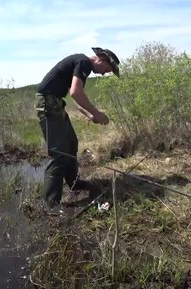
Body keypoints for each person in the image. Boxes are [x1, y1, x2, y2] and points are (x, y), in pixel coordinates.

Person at [34, 47, 120, 214]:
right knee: (59, 154)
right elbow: (75, 92)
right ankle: (50, 204)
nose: (103, 74)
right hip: (48, 103)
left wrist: (91, 115)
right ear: (101, 59)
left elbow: (77, 99)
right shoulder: (84, 62)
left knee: (72, 144)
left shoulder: (82, 65)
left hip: (55, 103)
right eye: (106, 70)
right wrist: (98, 113)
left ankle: (73, 182)